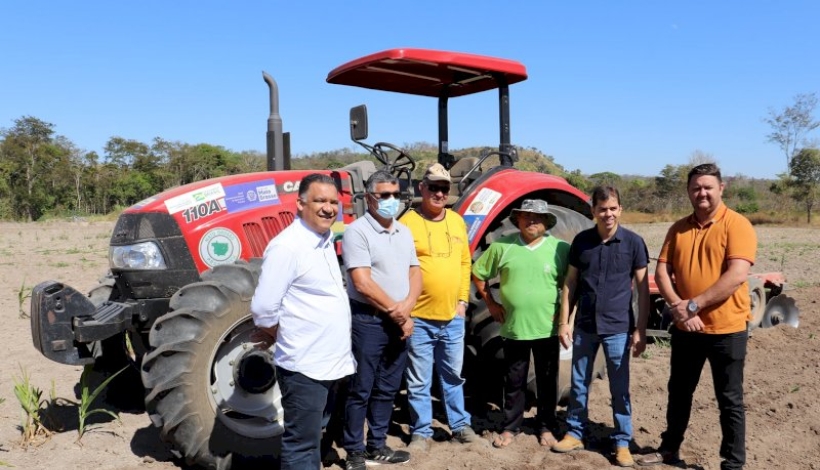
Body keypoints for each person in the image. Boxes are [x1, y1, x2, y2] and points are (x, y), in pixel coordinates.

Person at [636, 164, 756, 470]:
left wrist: (694, 305)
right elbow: (662, 270)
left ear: (721, 188)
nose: (701, 193)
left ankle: (732, 463)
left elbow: (737, 273)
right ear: (689, 191)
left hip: (726, 330)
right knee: (679, 392)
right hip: (686, 329)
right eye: (695, 188)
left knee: (729, 400)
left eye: (707, 187)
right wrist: (679, 306)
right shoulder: (678, 228)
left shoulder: (737, 225)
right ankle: (669, 449)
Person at [249, 173, 356, 470]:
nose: (329, 208)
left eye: (334, 202)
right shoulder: (288, 247)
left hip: (330, 363)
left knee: (314, 441)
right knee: (301, 444)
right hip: (305, 367)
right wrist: (274, 332)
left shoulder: (323, 241)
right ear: (300, 204)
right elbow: (264, 306)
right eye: (320, 200)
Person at [551, 186, 650, 467]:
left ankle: (621, 441)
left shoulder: (633, 243)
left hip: (619, 327)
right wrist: (564, 322)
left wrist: (640, 330)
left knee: (620, 387)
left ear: (620, 209)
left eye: (613, 208)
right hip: (585, 326)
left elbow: (643, 289)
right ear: (593, 211)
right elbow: (570, 283)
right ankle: (575, 432)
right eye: (602, 209)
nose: (608, 214)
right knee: (579, 383)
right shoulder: (582, 241)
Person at [472, 199, 569, 449]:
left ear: (546, 222)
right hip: (514, 327)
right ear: (518, 220)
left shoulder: (560, 248)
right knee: (514, 380)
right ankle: (511, 427)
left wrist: (566, 319)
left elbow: (571, 285)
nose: (531, 221)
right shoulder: (502, 246)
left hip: (547, 327)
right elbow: (478, 273)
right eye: (526, 216)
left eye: (537, 217)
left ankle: (546, 425)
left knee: (548, 380)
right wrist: (491, 304)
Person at [341, 170, 422, 470]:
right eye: (384, 195)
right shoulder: (357, 232)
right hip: (369, 321)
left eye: (395, 195)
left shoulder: (403, 231)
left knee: (388, 387)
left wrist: (408, 306)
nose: (391, 200)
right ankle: (354, 450)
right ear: (369, 197)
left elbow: (415, 271)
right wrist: (398, 313)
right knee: (360, 387)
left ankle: (377, 445)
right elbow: (362, 283)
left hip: (399, 320)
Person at [400, 163, 483, 451]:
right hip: (419, 317)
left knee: (453, 377)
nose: (438, 193)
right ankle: (421, 432)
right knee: (419, 380)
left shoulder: (457, 221)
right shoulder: (407, 223)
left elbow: (464, 262)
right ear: (421, 188)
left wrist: (462, 301)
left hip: (452, 317)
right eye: (433, 187)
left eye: (444, 188)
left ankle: (459, 425)